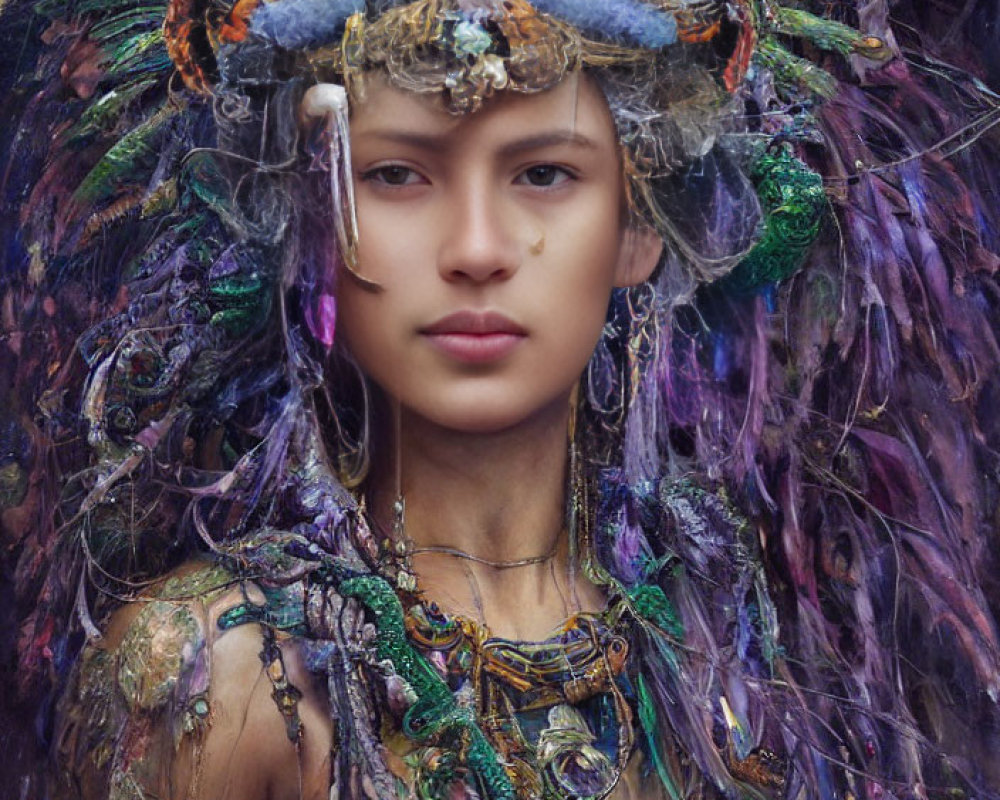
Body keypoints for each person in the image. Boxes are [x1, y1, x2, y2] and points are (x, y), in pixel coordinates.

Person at [2, 1, 1000, 799]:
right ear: (311, 220)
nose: (475, 248)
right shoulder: (214, 671)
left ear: (636, 231)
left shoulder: (727, 667)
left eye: (542, 173)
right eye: (397, 174)